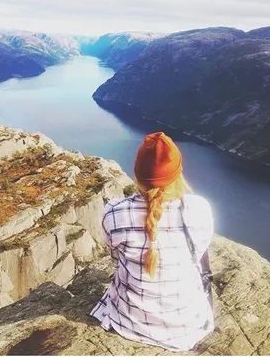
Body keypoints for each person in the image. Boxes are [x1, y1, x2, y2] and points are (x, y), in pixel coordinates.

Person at [90, 132, 215, 351]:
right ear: (178, 174)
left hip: (128, 321)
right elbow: (198, 253)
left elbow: (116, 257)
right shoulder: (199, 209)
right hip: (186, 325)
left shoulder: (114, 212)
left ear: (137, 175)